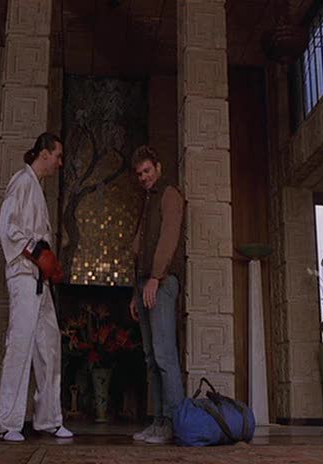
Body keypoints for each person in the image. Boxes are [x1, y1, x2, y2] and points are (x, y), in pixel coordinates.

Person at [0, 132, 73, 442]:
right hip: (24, 276)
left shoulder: (36, 187)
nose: (60, 163)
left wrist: (49, 264)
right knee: (20, 345)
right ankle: (6, 423)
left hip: (39, 280)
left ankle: (49, 419)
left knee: (49, 346)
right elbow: (7, 228)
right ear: (44, 153)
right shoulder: (22, 181)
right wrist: (39, 254)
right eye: (58, 156)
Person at [129, 145, 185, 444]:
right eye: (139, 174)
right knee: (151, 358)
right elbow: (139, 249)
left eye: (147, 171)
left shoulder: (169, 194)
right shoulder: (148, 200)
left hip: (160, 283)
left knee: (164, 355)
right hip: (144, 285)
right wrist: (135, 293)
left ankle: (174, 424)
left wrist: (155, 278)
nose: (144, 177)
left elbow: (168, 238)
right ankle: (159, 421)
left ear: (158, 168)